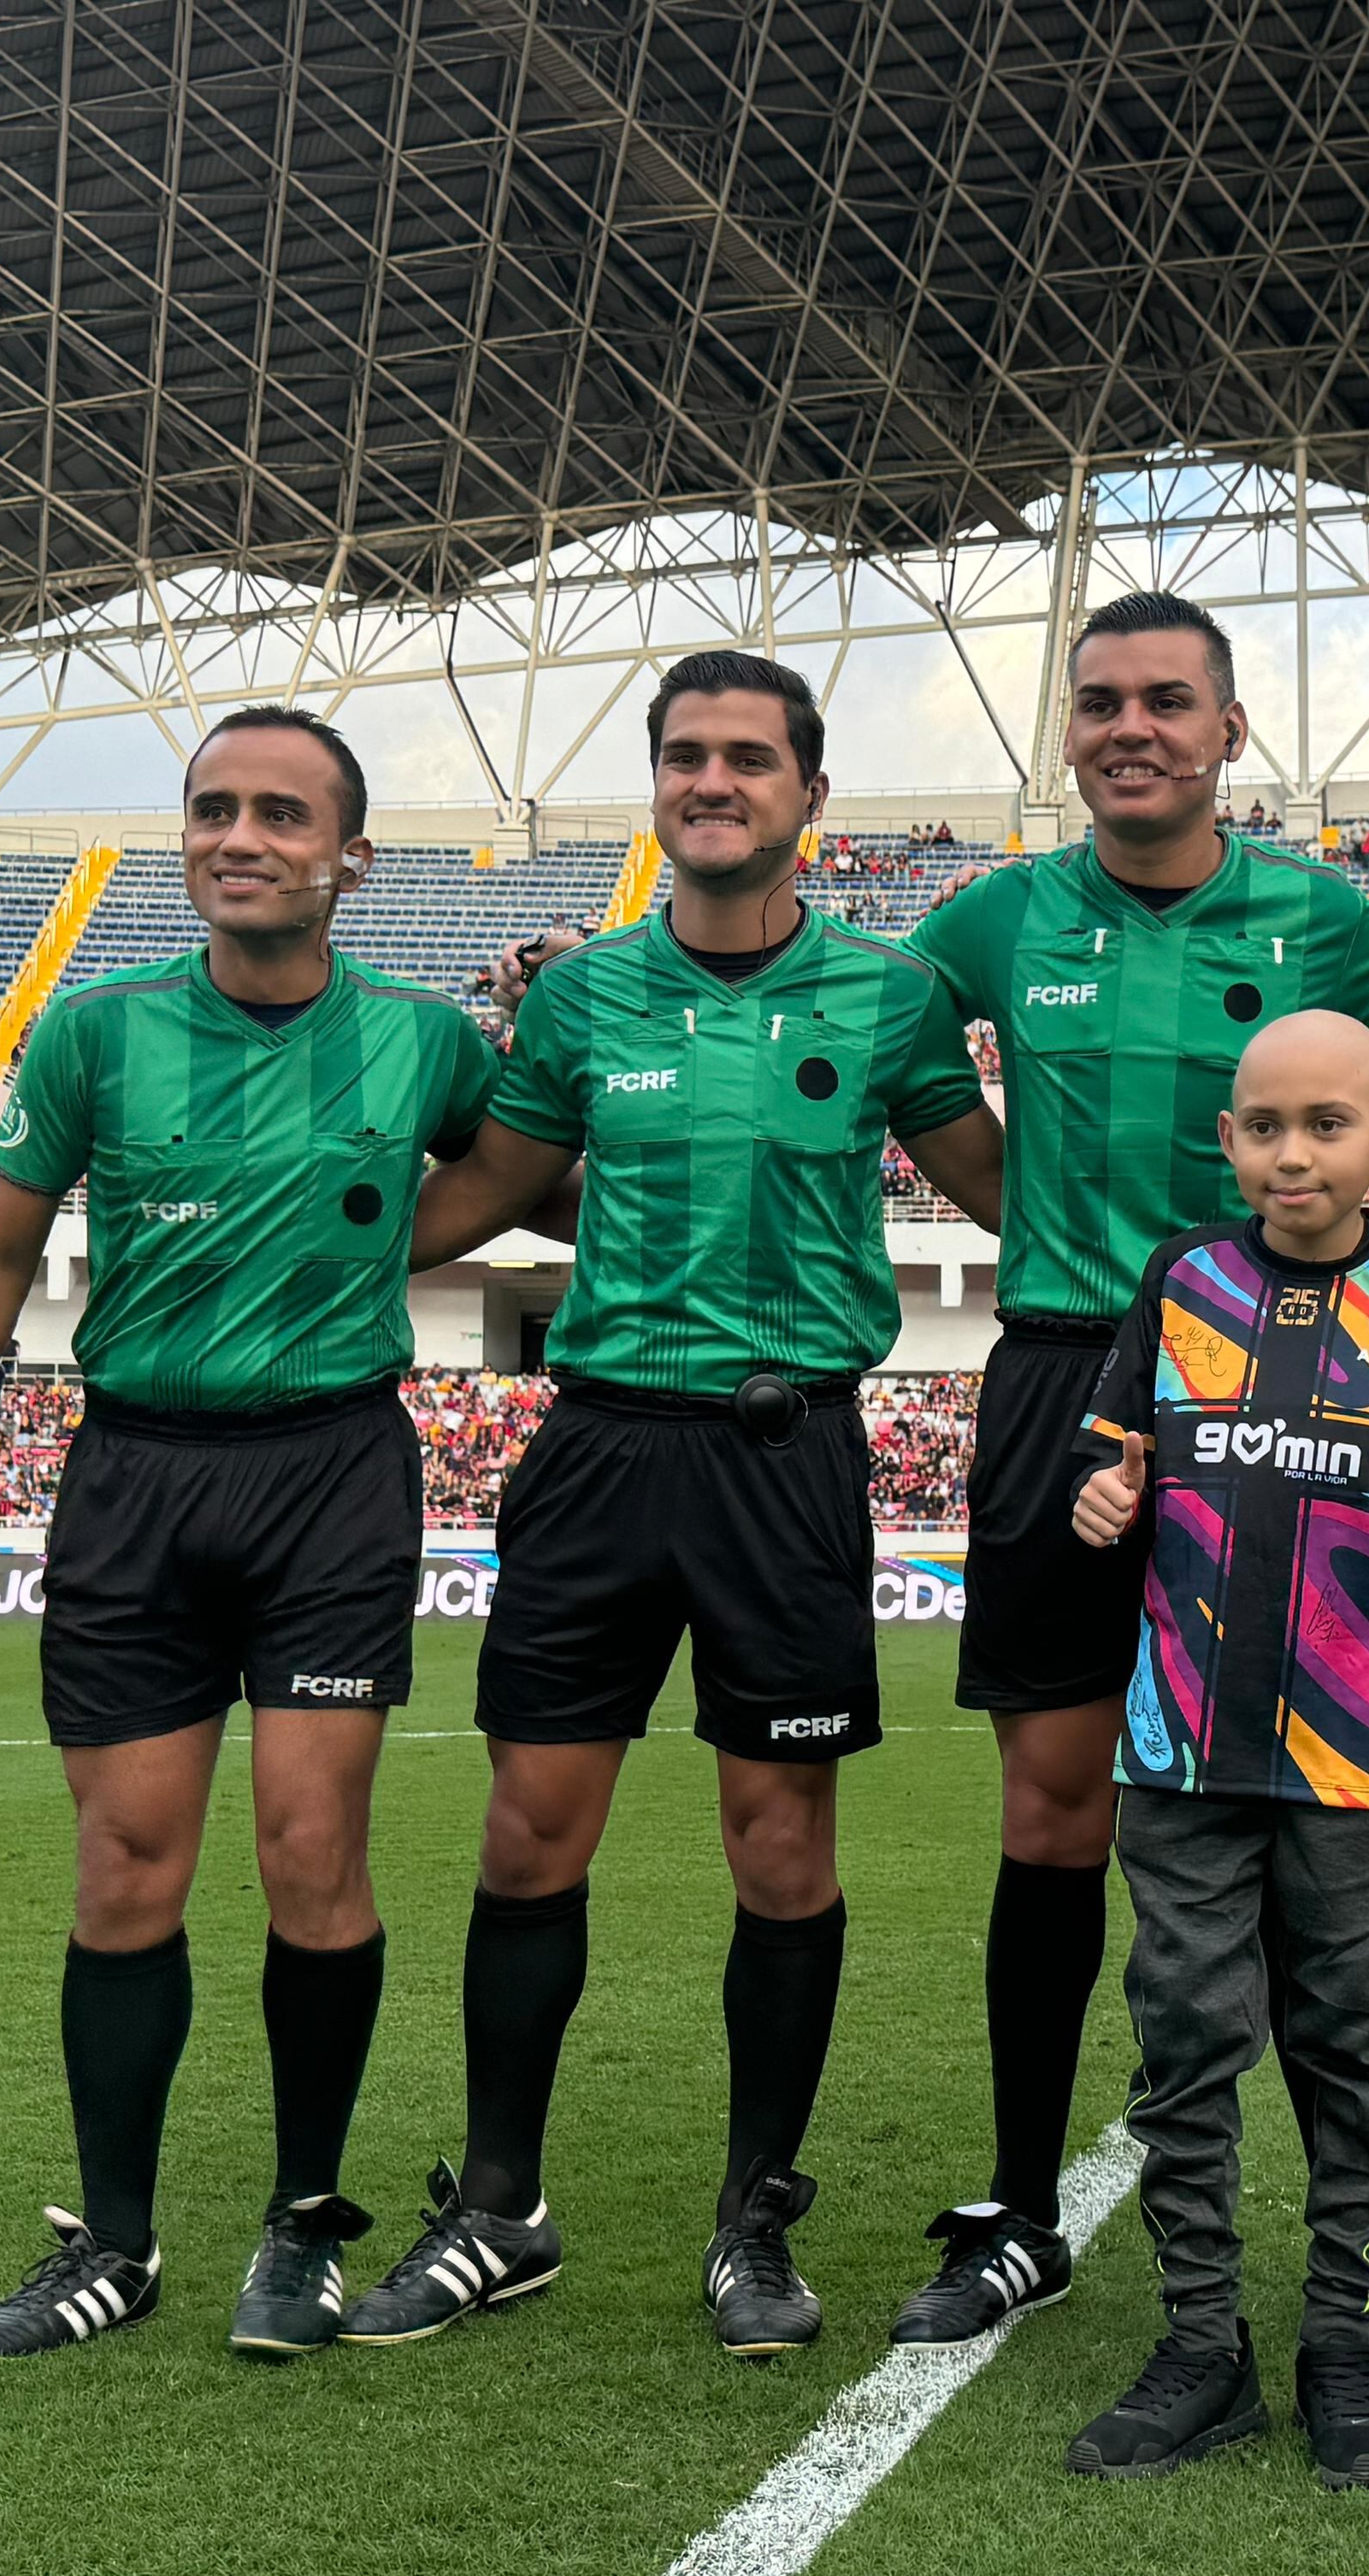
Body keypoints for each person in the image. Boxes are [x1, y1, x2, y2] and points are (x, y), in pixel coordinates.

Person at [344, 651, 1007, 2359]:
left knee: (779, 1848)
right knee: (524, 1831)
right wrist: (276, 1243)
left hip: (788, 1459)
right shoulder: (577, 1004)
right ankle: (500, 2209)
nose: (714, 781)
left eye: (747, 758)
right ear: (659, 790)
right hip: (599, 1455)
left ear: (807, 794)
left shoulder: (890, 998)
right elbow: (476, 1193)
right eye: (685, 758)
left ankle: (755, 2222)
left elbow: (1013, 1189)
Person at [0, 705, 505, 2362]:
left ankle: (305, 2226)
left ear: (348, 858)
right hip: (135, 1480)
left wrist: (373, 1247)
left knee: (313, 1851)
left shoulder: (427, 1040)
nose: (242, 836)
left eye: (282, 814)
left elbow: (532, 1179)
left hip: (328, 1474)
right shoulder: (94, 1036)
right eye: (212, 809)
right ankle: (114, 2240)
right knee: (123, 1869)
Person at [888, 590, 1369, 2354]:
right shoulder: (991, 918)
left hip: (1285, 1388)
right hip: (1069, 1374)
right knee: (1053, 1810)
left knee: (1300, 1821)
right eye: (1102, 702)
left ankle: (1351, 2237)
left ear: (1227, 733)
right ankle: (1021, 2201)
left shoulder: (1329, 920)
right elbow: (908, 1070)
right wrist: (1030, 1211)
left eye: (1168, 702)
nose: (1132, 727)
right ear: (1072, 733)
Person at [1059, 1010, 1369, 2491]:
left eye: (1329, 1124)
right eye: (1264, 1125)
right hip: (1186, 1752)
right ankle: (1202, 2347)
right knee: (1187, 2048)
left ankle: (1341, 2343)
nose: (1293, 1153)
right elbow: (1114, 1461)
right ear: (1228, 1141)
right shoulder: (1179, 1279)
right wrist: (1102, 1501)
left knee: (1358, 2053)